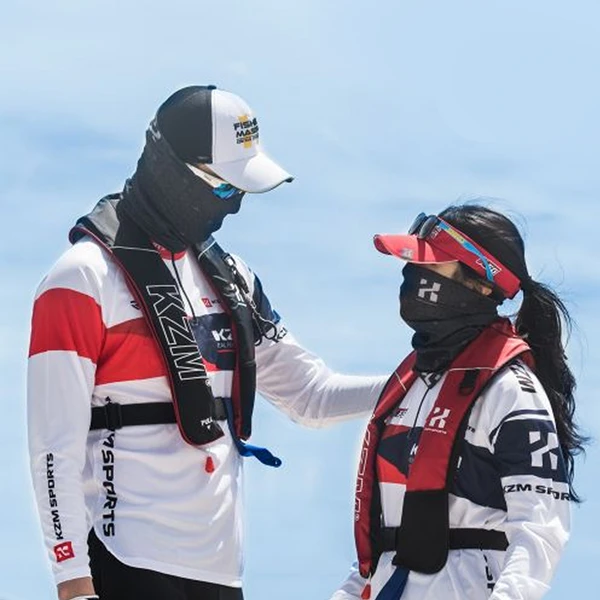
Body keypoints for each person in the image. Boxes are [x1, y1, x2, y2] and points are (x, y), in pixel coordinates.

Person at [27, 85, 385, 600]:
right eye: (223, 188)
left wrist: (422, 380)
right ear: (172, 170)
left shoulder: (233, 278)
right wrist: (73, 581)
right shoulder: (81, 279)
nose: (234, 207)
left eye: (242, 191)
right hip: (124, 559)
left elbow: (311, 395)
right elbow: (52, 447)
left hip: (221, 571)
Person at [330, 205, 584, 600]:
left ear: (481, 285)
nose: (412, 274)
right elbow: (389, 541)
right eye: (413, 263)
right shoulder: (410, 385)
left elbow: (541, 528)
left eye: (431, 264)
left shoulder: (512, 390)